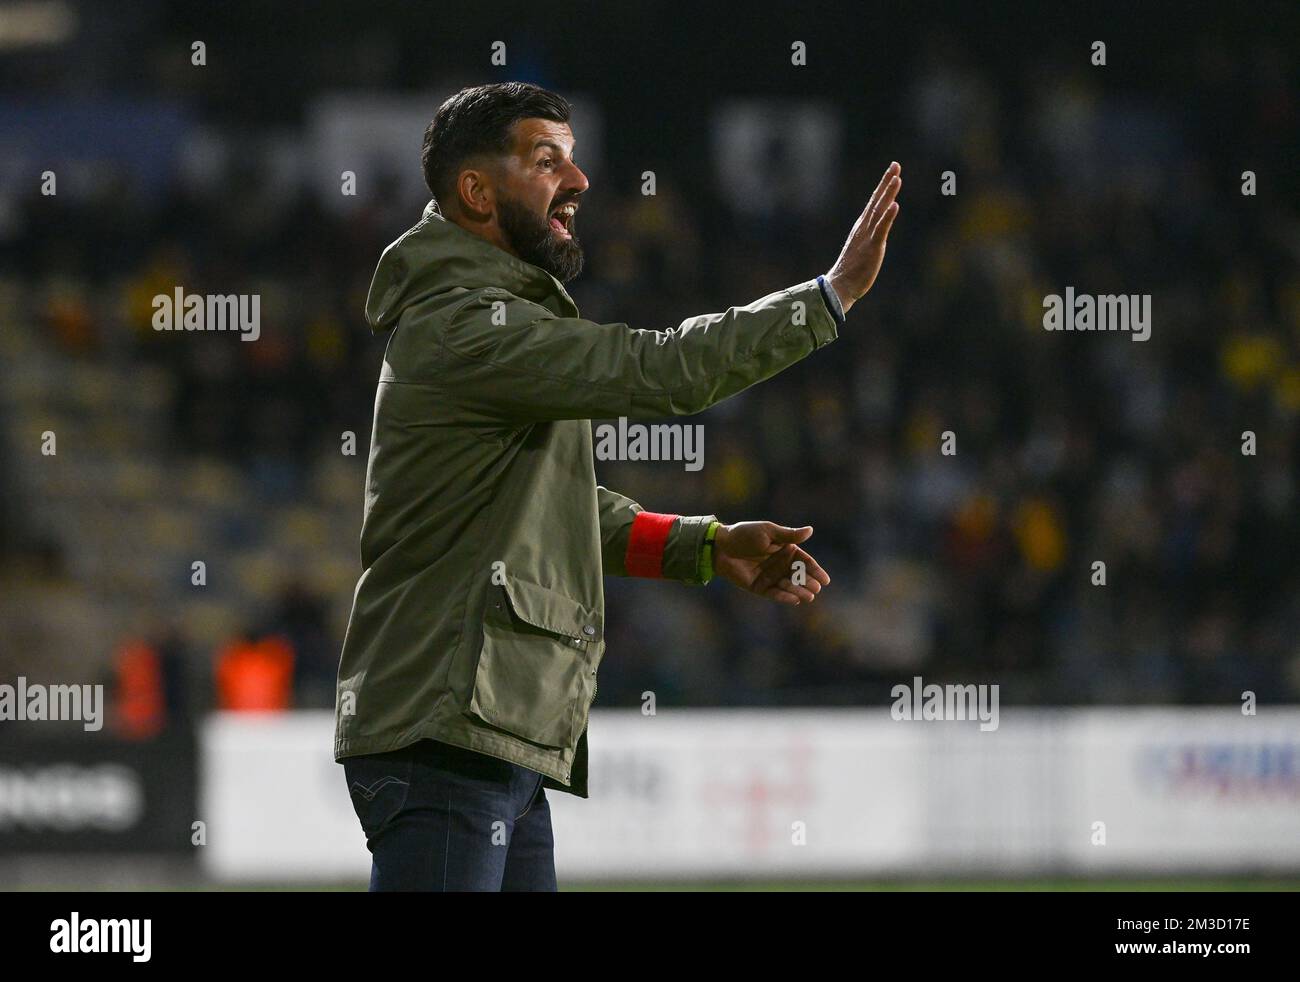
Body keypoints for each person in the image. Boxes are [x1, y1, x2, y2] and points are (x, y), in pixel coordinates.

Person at [335, 81, 902, 891]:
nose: (580, 182)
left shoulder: (491, 322)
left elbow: (562, 512)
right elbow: (661, 369)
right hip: (446, 725)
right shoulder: (463, 324)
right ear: (475, 190)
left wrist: (705, 545)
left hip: (496, 728)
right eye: (547, 161)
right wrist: (828, 298)